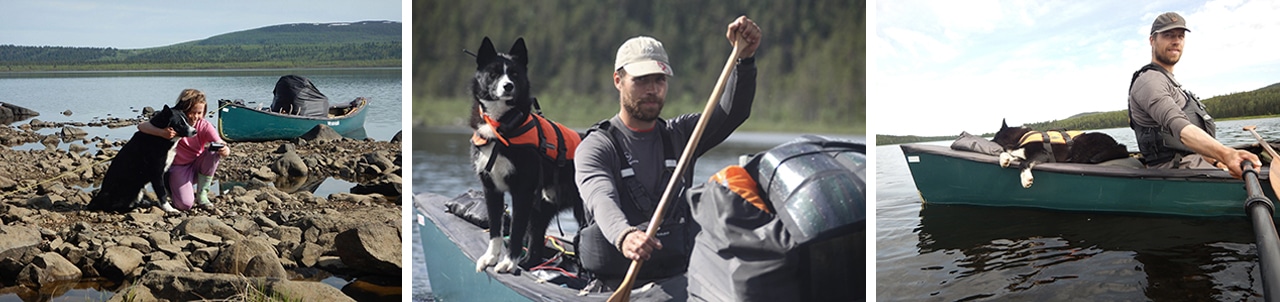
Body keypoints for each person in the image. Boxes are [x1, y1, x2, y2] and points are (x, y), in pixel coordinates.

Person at [574, 15, 761, 297]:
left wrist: (744, 59)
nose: (652, 90)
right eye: (641, 80)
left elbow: (733, 112)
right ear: (618, 80)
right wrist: (624, 235)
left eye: (659, 80)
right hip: (617, 285)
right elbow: (600, 197)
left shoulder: (683, 135)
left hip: (679, 280)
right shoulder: (597, 147)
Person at [1127, 12, 1258, 177]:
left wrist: (1218, 160)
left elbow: (1189, 147)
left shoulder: (1172, 83)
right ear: (1152, 40)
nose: (1176, 41)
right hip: (1176, 171)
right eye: (1168, 35)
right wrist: (1227, 154)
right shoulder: (1149, 82)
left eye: (1180, 36)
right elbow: (1180, 127)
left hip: (1194, 163)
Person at [139, 88, 231, 212]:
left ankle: (202, 194)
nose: (195, 117)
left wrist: (225, 150)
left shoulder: (204, 125)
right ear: (183, 109)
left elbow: (220, 142)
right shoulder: (173, 121)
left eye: (199, 113)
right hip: (178, 168)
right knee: (185, 205)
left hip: (198, 165)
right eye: (192, 112)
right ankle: (170, 186)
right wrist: (162, 133)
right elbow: (142, 126)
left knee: (214, 151)